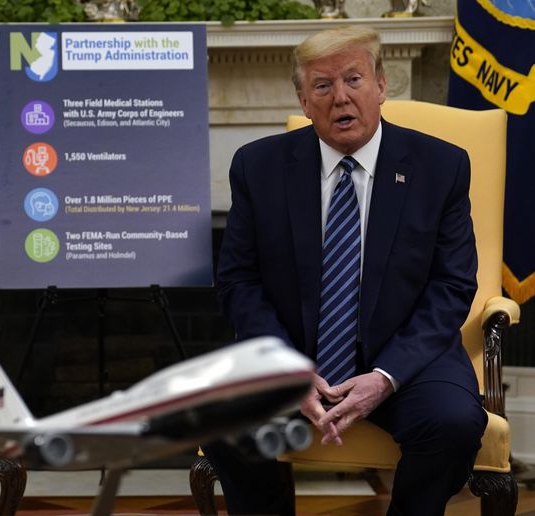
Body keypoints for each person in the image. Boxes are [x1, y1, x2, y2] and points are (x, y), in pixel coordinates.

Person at [204, 25, 486, 515]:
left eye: (354, 80)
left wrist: (385, 374)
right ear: (302, 98)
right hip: (292, 352)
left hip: (406, 360)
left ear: (381, 85)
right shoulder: (257, 167)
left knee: (453, 423)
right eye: (322, 86)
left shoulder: (440, 166)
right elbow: (239, 281)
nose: (341, 98)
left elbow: (452, 284)